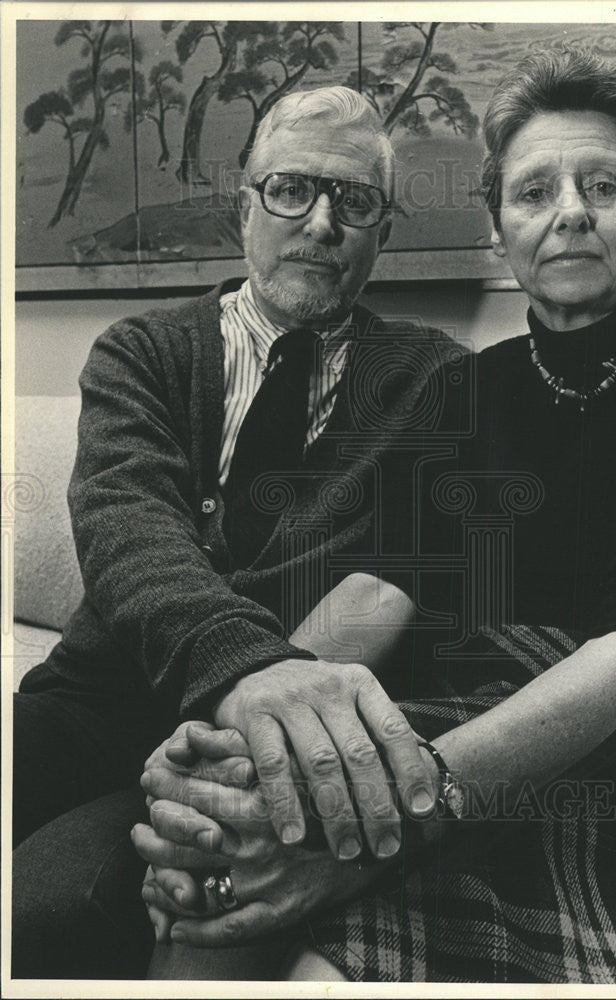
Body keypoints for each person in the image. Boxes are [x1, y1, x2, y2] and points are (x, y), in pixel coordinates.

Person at [134, 49, 616, 984]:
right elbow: (382, 586)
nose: (570, 213)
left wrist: (410, 800)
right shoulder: (456, 390)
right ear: (503, 232)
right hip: (455, 721)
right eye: (534, 191)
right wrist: (248, 746)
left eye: (603, 186)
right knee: (216, 870)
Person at [12, 85, 466, 979]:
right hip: (101, 695)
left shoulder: (438, 380)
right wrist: (249, 672)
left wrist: (248, 734)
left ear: (384, 232)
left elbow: (397, 580)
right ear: (244, 208)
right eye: (291, 189)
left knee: (44, 913)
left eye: (355, 201)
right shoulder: (140, 350)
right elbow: (124, 523)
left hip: (258, 737)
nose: (321, 222)